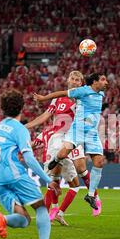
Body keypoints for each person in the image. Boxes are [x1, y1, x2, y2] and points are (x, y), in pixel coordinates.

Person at [0, 89, 61, 239]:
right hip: (14, 173)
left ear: (3, 108)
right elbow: (29, 158)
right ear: (22, 107)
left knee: (24, 220)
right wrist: (48, 180)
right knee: (40, 207)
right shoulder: (20, 129)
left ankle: (4, 219)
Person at [26, 71, 102, 226]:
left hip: (74, 137)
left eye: (77, 80)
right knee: (56, 174)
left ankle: (94, 197)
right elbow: (45, 116)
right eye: (72, 79)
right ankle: (53, 209)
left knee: (81, 168)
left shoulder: (83, 97)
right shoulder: (58, 99)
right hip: (58, 138)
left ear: (81, 84)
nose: (74, 81)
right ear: (68, 80)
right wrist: (26, 126)